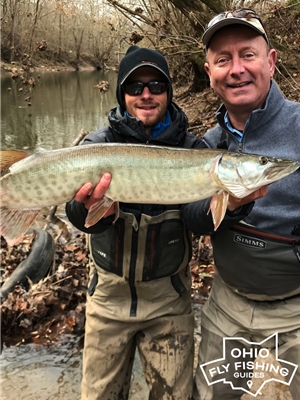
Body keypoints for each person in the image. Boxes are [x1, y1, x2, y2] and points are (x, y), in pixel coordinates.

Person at [66, 45, 206, 400]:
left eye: (157, 85)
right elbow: (75, 213)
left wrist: (231, 205)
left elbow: (197, 218)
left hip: (169, 303)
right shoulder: (99, 144)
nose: (146, 94)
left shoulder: (192, 149)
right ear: (122, 94)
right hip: (108, 301)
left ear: (169, 92)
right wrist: (92, 212)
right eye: (135, 87)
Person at [180, 8, 300, 400]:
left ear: (271, 60)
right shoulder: (209, 143)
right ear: (209, 72)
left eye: (247, 54)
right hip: (228, 303)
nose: (237, 69)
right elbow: (194, 217)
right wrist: (229, 206)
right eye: (222, 60)